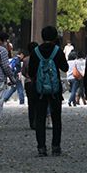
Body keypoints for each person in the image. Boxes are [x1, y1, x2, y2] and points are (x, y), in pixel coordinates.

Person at [29, 26, 68, 157]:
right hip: (54, 89)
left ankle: (41, 147)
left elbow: (31, 72)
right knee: (56, 118)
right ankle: (56, 146)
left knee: (40, 118)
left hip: (39, 90)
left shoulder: (35, 52)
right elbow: (65, 67)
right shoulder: (57, 51)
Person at [22, 42, 38, 129]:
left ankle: (32, 122)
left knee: (31, 103)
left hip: (28, 82)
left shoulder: (25, 60)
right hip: (38, 82)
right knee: (38, 102)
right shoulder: (40, 59)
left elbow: (23, 72)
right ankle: (38, 121)